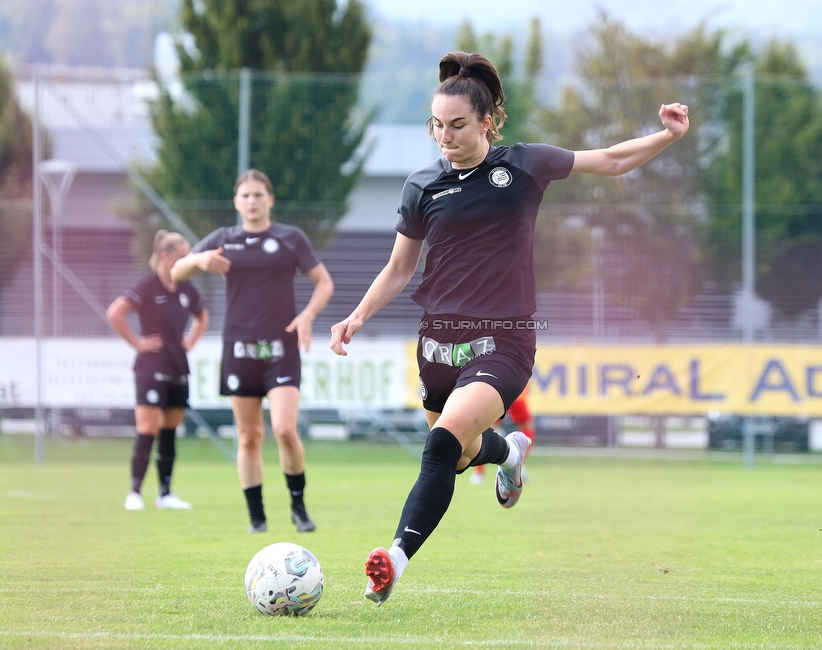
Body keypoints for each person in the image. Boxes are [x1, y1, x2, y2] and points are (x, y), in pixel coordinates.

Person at [329, 51, 689, 605]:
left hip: (505, 340)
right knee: (466, 452)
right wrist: (356, 315)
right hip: (437, 344)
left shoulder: (522, 166)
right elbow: (400, 267)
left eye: (457, 125)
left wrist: (664, 136)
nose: (444, 137)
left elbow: (613, 161)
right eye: (436, 125)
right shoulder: (421, 186)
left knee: (441, 446)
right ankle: (509, 453)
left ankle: (393, 561)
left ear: (487, 122)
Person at [171, 169, 334, 533]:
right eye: (245, 195)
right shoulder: (223, 239)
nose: (252, 201)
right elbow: (176, 272)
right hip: (239, 350)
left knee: (284, 429)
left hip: (281, 350)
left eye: (258, 195)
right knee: (248, 436)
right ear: (236, 202)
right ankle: (256, 518)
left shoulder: (290, 238)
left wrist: (308, 314)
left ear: (270, 200)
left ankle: (298, 507)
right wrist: (197, 261)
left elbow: (324, 283)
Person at [107, 230, 210, 511]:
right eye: (183, 256)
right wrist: (137, 343)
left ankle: (165, 494)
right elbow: (115, 312)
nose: (188, 261)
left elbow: (203, 317)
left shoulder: (187, 289)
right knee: (147, 429)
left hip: (178, 368)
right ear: (166, 257)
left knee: (169, 431)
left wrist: (190, 340)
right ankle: (134, 493)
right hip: (151, 368)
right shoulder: (148, 286)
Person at [469, 385, 533, 485]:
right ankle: (517, 465)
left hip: (500, 390)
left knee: (488, 428)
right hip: (516, 391)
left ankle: (479, 473)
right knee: (526, 428)